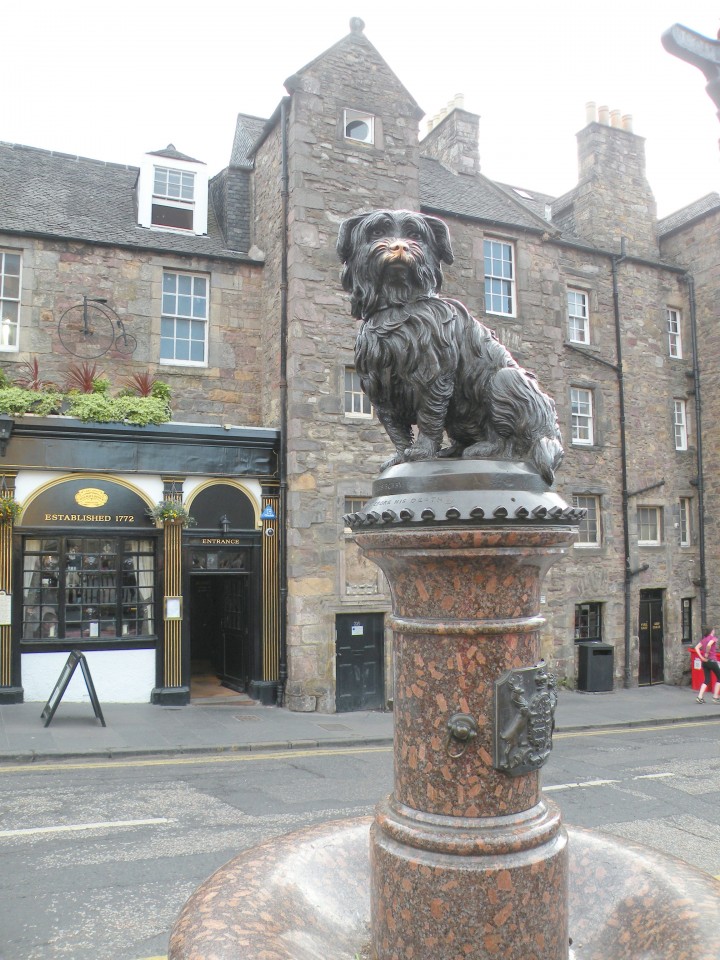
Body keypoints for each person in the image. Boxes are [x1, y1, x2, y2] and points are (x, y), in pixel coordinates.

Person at [694, 626, 720, 703]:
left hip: (705, 662)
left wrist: (701, 657)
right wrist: (706, 653)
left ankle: (699, 697)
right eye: (714, 630)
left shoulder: (704, 639)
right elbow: (709, 645)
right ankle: (715, 697)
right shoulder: (713, 638)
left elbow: (696, 648)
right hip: (712, 661)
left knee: (707, 680)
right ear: (712, 631)